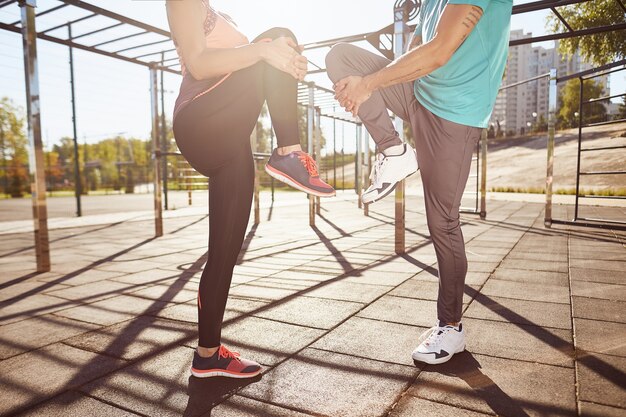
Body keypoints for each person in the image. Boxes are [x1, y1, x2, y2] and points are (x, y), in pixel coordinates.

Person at [325, 0, 513, 364]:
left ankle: (451, 327)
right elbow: (414, 53)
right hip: (418, 94)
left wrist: (368, 85)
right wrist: (362, 87)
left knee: (442, 222)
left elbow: (440, 51)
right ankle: (394, 151)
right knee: (340, 59)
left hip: (455, 115)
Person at [166, 0, 335, 379]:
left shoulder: (225, 15)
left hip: (232, 143)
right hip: (200, 118)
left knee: (225, 251)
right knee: (278, 38)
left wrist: (287, 66)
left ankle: (208, 355)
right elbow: (197, 62)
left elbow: (252, 66)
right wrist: (268, 50)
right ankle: (288, 151)